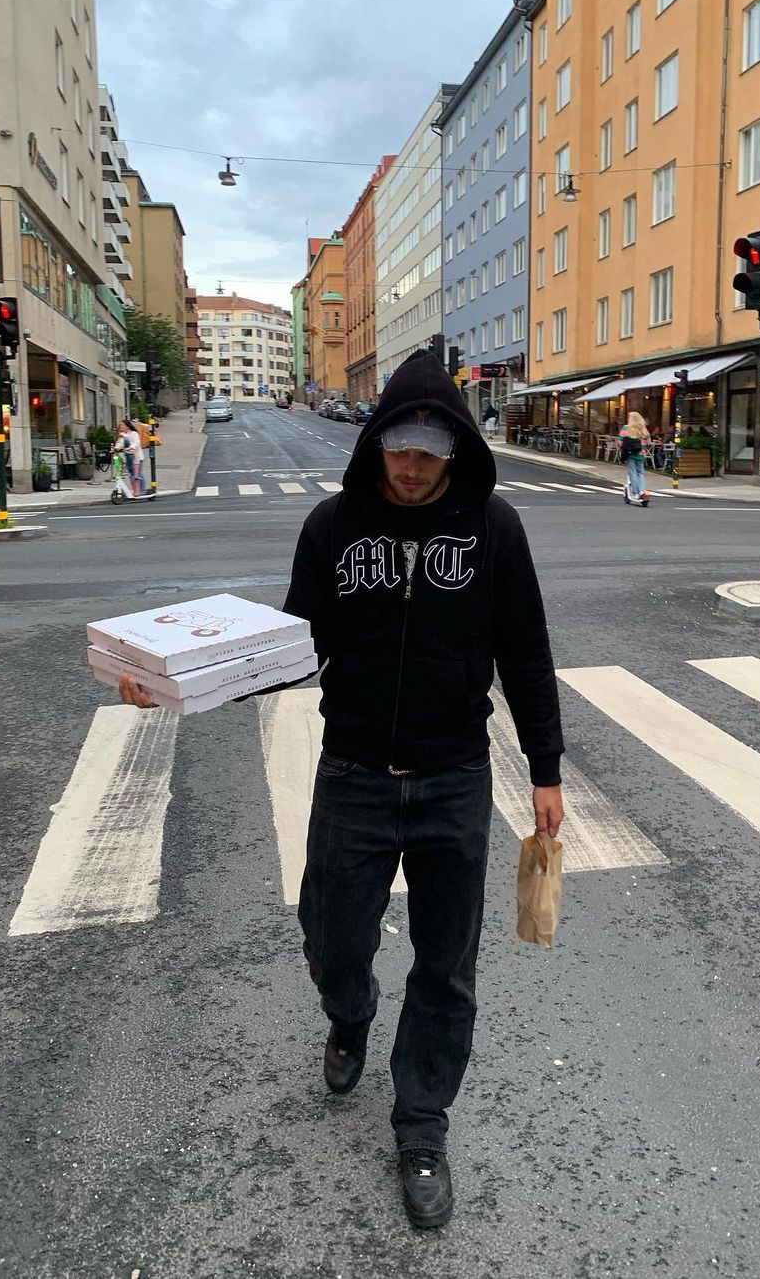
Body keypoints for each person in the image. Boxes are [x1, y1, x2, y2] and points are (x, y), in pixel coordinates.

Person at [118, 349, 565, 1230]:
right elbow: (287, 653)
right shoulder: (332, 527)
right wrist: (175, 683)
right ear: (378, 441)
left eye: (429, 451)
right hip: (354, 774)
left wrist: (545, 769)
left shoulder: (495, 528)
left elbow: (526, 651)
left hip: (454, 779)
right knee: (331, 938)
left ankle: (422, 1125)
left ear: (456, 448)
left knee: (447, 964)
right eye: (399, 448)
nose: (411, 466)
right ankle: (350, 1013)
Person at [619, 410, 652, 504]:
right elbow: (648, 442)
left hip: (630, 454)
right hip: (640, 454)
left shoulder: (626, 428)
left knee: (632, 472)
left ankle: (635, 492)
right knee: (640, 472)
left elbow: (620, 442)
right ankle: (642, 491)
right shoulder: (644, 430)